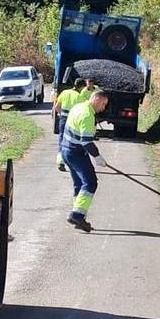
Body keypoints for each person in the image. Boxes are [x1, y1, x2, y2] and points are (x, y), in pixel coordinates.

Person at [60, 90, 110, 232]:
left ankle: (78, 215)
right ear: (97, 100)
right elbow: (86, 142)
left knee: (79, 183)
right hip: (76, 153)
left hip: (66, 150)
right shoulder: (87, 115)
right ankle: (77, 215)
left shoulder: (78, 106)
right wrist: (97, 157)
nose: (103, 108)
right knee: (90, 183)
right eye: (103, 104)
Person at [53, 78, 88, 171]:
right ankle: (74, 162)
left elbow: (56, 107)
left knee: (61, 140)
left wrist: (61, 115)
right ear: (81, 87)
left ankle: (60, 162)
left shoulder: (65, 92)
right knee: (72, 141)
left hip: (63, 119)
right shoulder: (80, 97)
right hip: (72, 121)